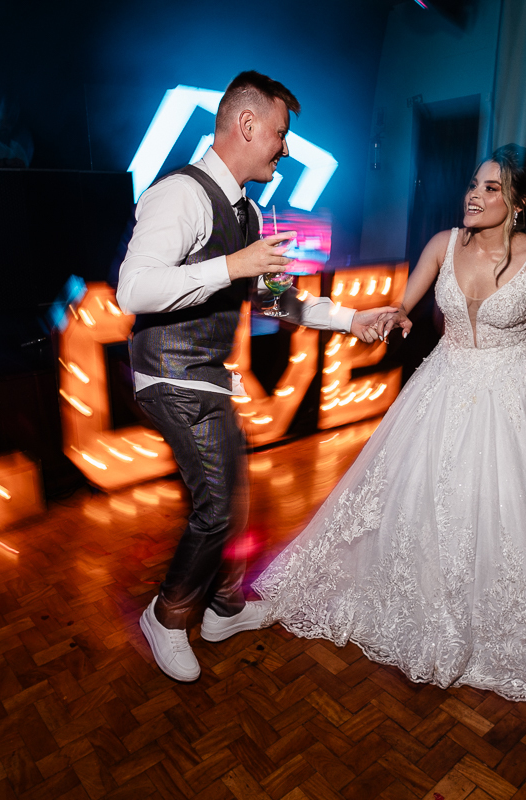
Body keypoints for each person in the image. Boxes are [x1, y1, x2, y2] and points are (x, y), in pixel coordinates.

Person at [253, 144, 526, 715]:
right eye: (473, 184)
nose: (474, 196)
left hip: (515, 397)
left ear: (519, 202)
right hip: (443, 386)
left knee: (506, 510)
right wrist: (385, 316)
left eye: (491, 188)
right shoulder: (442, 244)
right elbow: (403, 306)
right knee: (425, 502)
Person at [116, 71, 395, 682]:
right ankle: (167, 615)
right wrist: (230, 265)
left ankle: (224, 609)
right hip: (171, 373)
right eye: (280, 133)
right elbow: (132, 289)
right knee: (217, 506)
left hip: (207, 376)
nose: (286, 148)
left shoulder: (246, 212)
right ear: (246, 125)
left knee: (233, 497)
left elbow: (278, 299)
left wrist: (353, 319)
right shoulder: (180, 195)